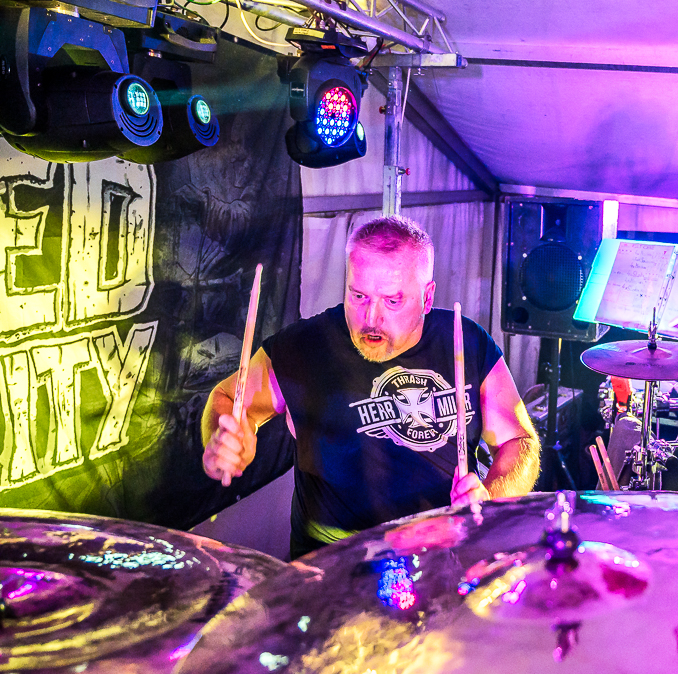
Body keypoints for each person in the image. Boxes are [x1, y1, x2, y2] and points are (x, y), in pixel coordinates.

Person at [201, 216, 541, 558]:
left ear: (426, 297)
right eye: (359, 295)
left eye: (392, 301)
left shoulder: (465, 341)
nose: (371, 318)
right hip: (334, 563)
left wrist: (489, 498)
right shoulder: (303, 347)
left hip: (442, 556)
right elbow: (227, 397)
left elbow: (519, 442)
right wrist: (224, 438)